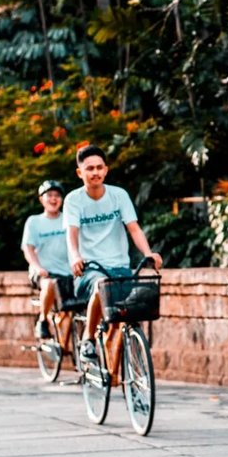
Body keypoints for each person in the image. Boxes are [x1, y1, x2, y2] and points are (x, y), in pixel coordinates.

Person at [64, 145, 162, 364]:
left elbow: (134, 228)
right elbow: (72, 234)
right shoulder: (73, 200)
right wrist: (75, 257)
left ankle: (115, 372)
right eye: (90, 168)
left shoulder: (119, 195)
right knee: (102, 285)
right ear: (80, 173)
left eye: (99, 167)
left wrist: (148, 253)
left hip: (120, 267)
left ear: (106, 170)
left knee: (122, 319)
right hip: (90, 269)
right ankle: (88, 338)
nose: (95, 172)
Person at [22, 180, 71, 339]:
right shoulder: (34, 222)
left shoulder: (68, 219)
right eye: (49, 195)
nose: (53, 199)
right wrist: (37, 267)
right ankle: (42, 320)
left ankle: (65, 344)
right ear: (41, 199)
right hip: (44, 272)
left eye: (57, 195)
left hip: (67, 272)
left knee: (71, 309)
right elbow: (28, 248)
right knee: (49, 284)